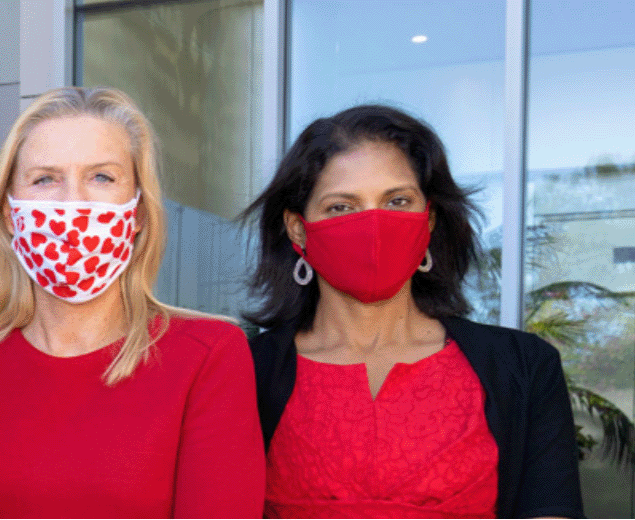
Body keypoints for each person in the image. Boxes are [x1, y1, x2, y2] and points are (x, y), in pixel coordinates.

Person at [0, 86, 264, 518]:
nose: (72, 202)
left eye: (101, 177)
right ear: (9, 213)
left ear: (137, 213)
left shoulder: (208, 356)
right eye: (45, 179)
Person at [242, 104, 583, 518]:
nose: (373, 226)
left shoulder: (525, 368)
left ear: (430, 219)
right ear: (298, 228)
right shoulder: (244, 373)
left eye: (397, 201)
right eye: (341, 207)